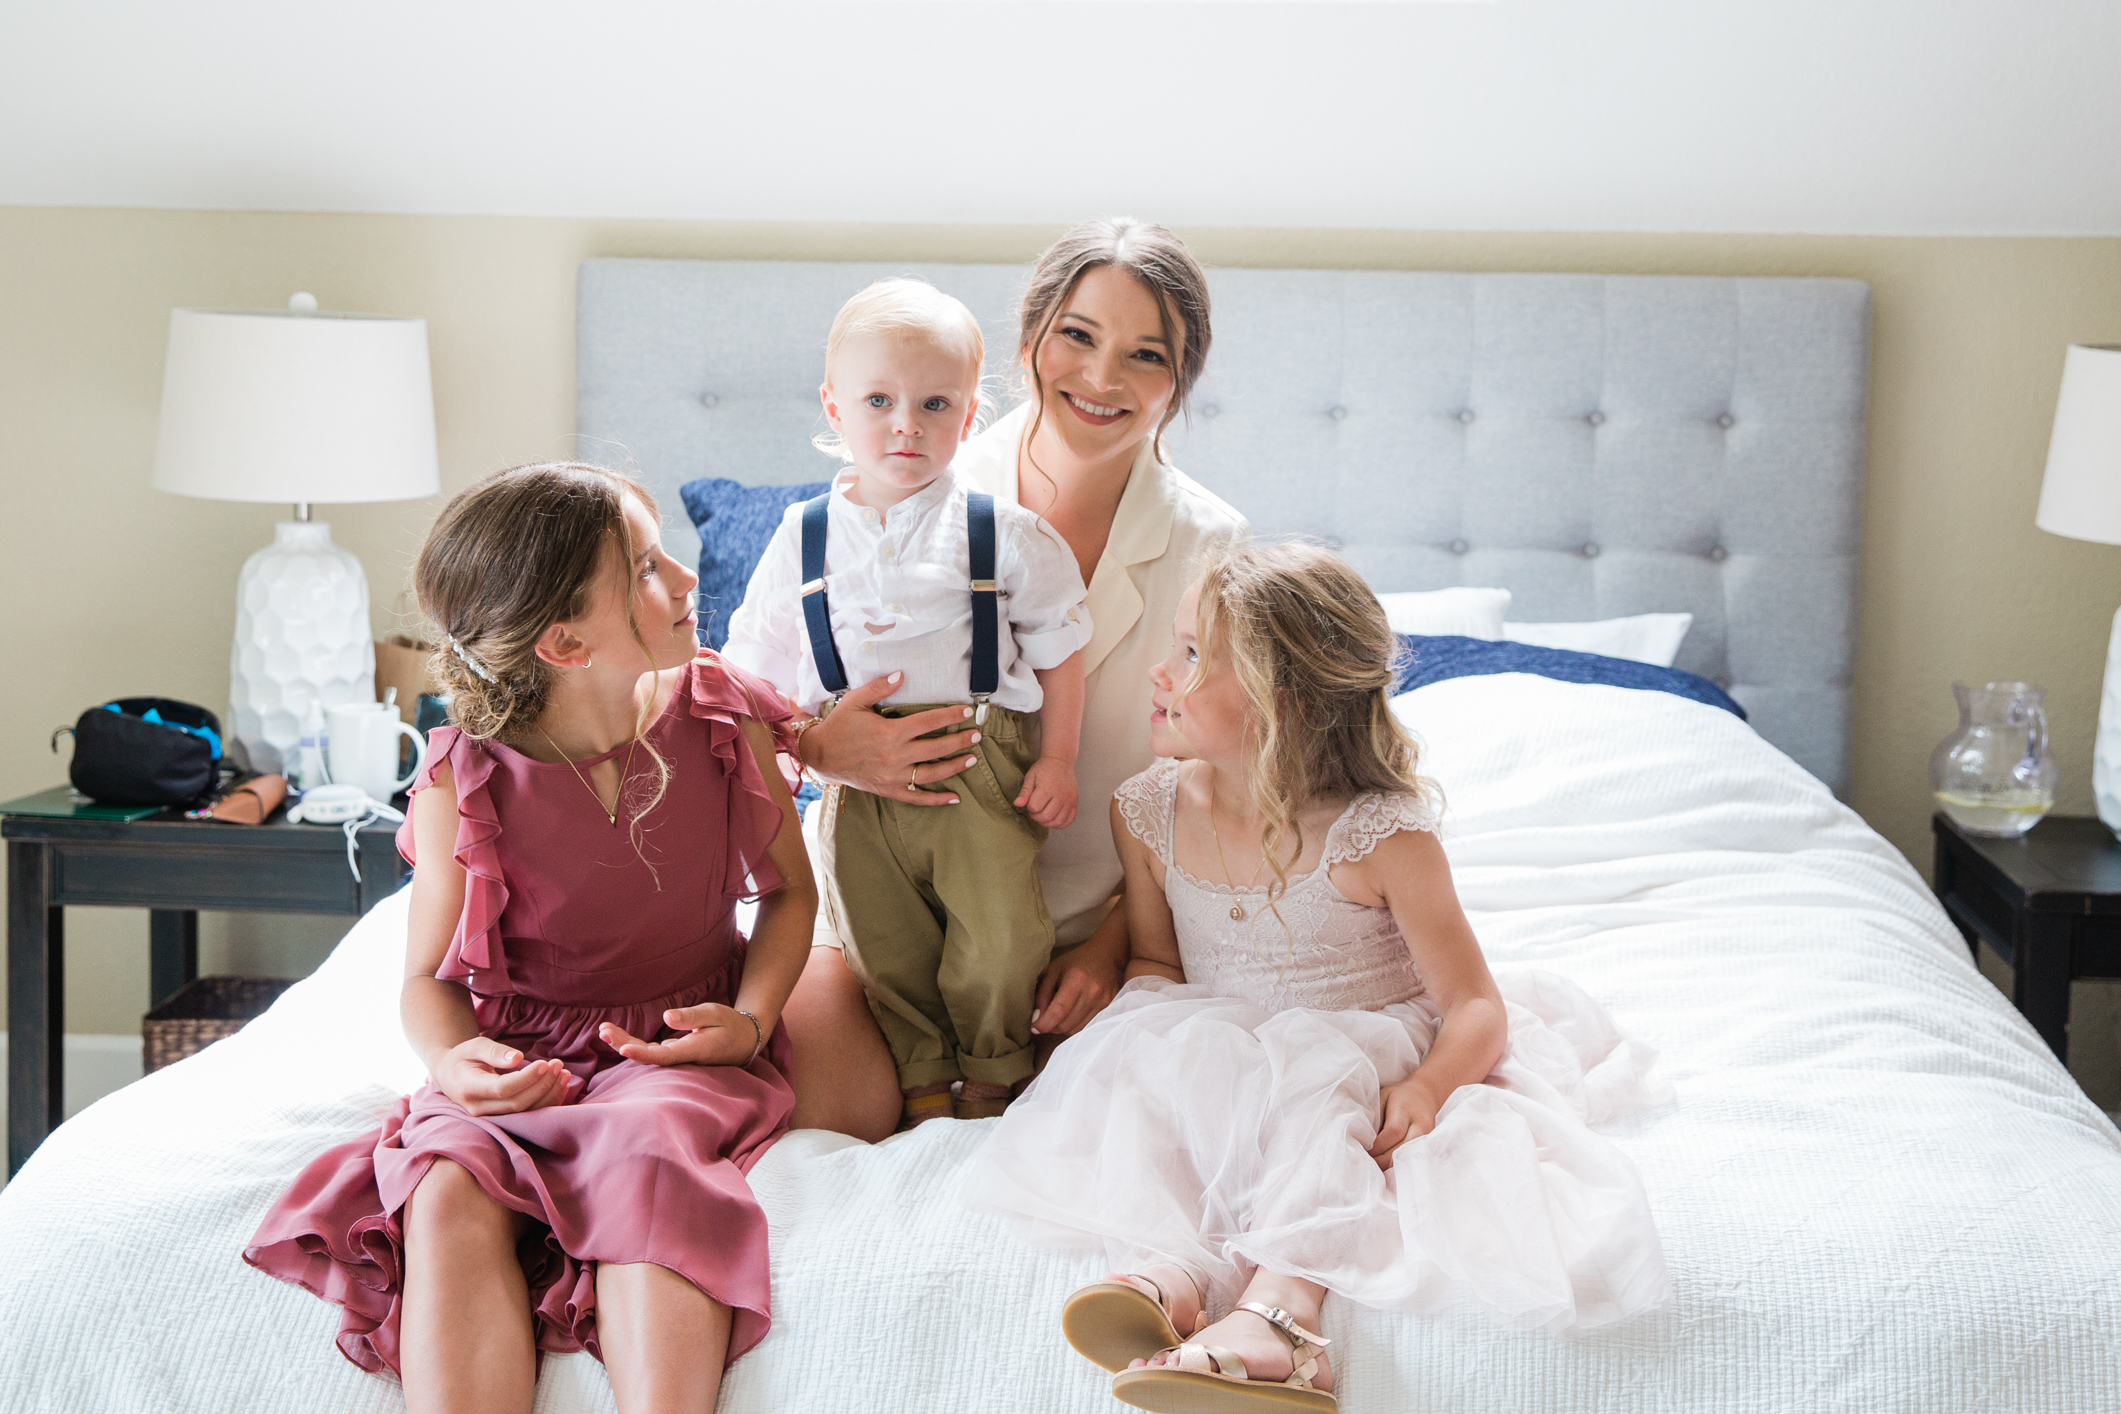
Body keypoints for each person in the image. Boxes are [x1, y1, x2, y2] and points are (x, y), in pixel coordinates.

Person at [964, 544, 1672, 1414]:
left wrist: (1428, 1085)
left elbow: (1476, 1005)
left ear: (1279, 704)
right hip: (1227, 1025)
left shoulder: (1380, 837)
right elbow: (1159, 964)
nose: (1159, 669)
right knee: (1169, 1083)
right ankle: (1175, 1273)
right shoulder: (1146, 810)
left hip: (1367, 1040)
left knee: (1315, 1109)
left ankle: (1283, 1318)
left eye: (1190, 655)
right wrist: (1133, 1031)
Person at [244, 463, 814, 1414]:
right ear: (563, 641)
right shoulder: (463, 780)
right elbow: (425, 978)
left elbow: (789, 895)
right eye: (644, 568)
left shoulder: (720, 714)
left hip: (673, 1048)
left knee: (645, 1148)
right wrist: (458, 1062)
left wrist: (750, 1025)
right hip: (521, 1051)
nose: (685, 576)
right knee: (445, 1188)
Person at [760, 218, 1246, 1141]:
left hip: (1086, 924)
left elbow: (1213, 781)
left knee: (1093, 1132)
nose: (1101, 380)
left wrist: (1121, 948)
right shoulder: (909, 452)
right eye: (1077, 335)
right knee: (832, 1120)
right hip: (879, 888)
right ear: (1027, 341)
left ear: (1178, 384)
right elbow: (779, 672)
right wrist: (819, 747)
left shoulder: (1209, 546)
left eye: (1146, 355)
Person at [723, 278, 1092, 1126]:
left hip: (977, 767)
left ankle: (994, 1067)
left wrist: (1059, 758)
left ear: (968, 418)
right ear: (834, 408)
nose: (906, 425)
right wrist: (802, 751)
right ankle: (923, 1078)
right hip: (854, 790)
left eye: (934, 404)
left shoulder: (1005, 533)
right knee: (883, 944)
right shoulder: (801, 534)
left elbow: (1062, 652)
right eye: (879, 400)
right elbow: (756, 682)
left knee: (999, 935)